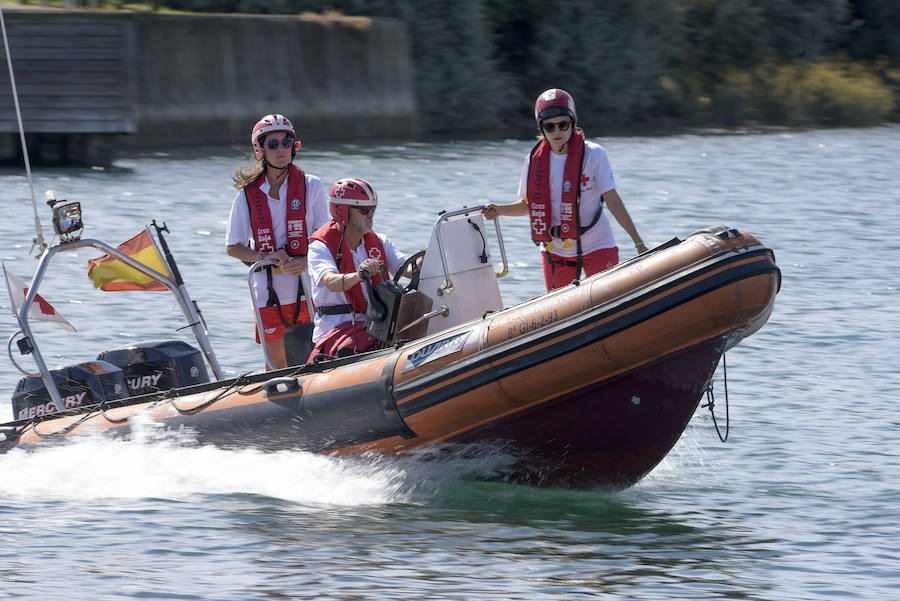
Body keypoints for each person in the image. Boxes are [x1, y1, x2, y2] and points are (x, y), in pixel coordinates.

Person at [483, 88, 647, 291]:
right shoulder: (533, 160)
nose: (557, 132)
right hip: (555, 252)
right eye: (550, 127)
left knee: (608, 299)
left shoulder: (594, 154)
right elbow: (528, 206)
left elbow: (613, 201)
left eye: (563, 124)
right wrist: (500, 210)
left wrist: (638, 243)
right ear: (541, 128)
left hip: (598, 245)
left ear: (573, 122)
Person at [225, 113, 329, 369]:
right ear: (260, 150)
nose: (281, 149)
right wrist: (265, 257)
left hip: (307, 288)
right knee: (276, 364)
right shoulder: (246, 196)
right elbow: (233, 247)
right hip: (268, 291)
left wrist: (305, 260)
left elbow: (326, 237)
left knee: (314, 358)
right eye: (273, 144)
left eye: (287, 143)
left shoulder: (311, 185)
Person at [306, 177, 407, 362]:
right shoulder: (320, 247)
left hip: (379, 325)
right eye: (364, 210)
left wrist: (435, 253)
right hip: (336, 330)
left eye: (373, 209)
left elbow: (406, 268)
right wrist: (359, 275)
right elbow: (331, 282)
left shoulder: (380, 241)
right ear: (341, 212)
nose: (371, 215)